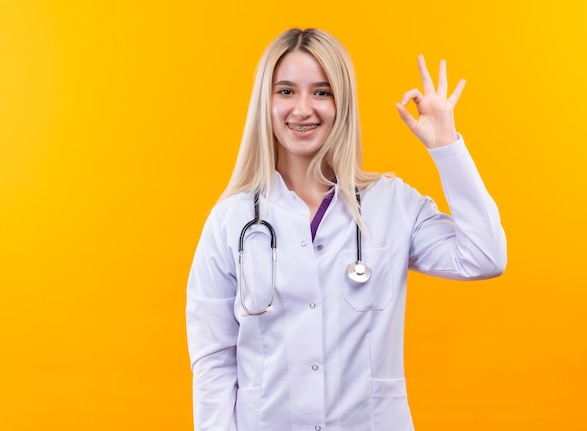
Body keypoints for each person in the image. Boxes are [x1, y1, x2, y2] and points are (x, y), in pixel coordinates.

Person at [186, 27, 506, 431]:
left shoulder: (392, 203)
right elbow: (213, 361)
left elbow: (485, 256)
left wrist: (446, 145)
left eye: (322, 92)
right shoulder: (231, 221)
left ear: (343, 104)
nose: (303, 109)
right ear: (265, 103)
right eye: (286, 91)